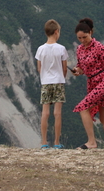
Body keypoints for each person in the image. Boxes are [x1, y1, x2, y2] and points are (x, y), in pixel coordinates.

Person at [72, 18, 104, 150]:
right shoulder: (79, 49)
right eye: (79, 38)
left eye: (84, 37)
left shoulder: (100, 48)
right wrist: (77, 71)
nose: (82, 40)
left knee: (83, 108)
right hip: (92, 83)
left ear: (91, 32)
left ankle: (92, 142)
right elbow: (81, 67)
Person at [35, 19, 69, 149]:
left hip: (45, 82)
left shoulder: (40, 49)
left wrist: (44, 76)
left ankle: (44, 142)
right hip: (58, 81)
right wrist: (61, 76)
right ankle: (56, 142)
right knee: (57, 113)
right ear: (56, 32)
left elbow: (39, 67)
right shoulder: (61, 49)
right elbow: (64, 68)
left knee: (45, 113)